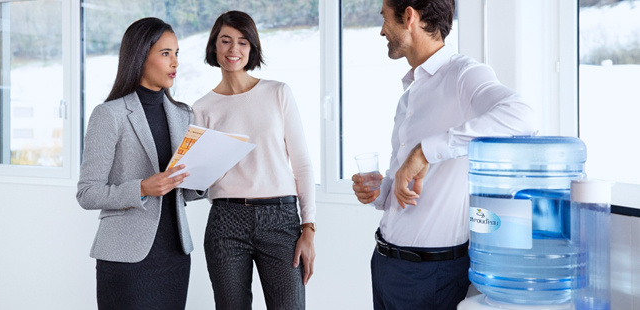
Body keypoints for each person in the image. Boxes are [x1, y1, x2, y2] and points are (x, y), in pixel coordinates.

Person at [351, 0, 538, 309]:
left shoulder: (464, 74)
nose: (382, 30)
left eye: (385, 19)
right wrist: (380, 190)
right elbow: (402, 185)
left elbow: (522, 116)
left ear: (408, 16)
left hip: (432, 273)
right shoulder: (409, 95)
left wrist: (425, 152)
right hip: (386, 262)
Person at [76, 17, 205, 310]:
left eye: (176, 54)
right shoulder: (109, 115)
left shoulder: (184, 115)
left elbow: (183, 190)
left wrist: (201, 179)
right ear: (139, 55)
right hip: (126, 259)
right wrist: (142, 188)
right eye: (165, 53)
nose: (175, 63)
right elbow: (87, 193)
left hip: (175, 255)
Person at [192, 10, 316, 310]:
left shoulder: (278, 93)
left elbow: (302, 163)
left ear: (252, 48)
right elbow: (198, 178)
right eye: (226, 41)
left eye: (243, 42)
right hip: (226, 221)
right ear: (214, 47)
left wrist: (309, 228)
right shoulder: (201, 108)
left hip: (281, 218)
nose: (234, 49)